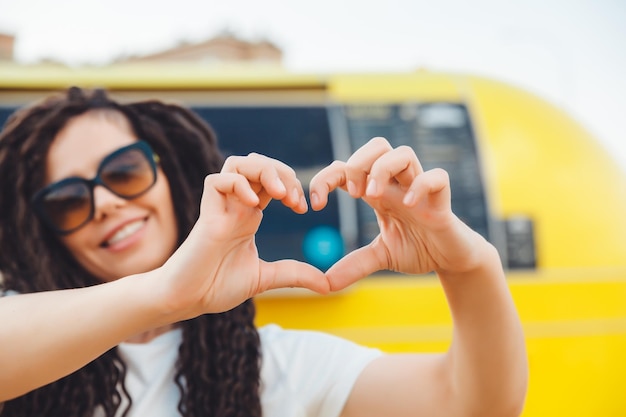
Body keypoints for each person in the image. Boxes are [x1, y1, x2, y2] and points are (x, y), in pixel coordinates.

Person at [0, 87, 528, 417]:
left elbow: (476, 405)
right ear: (48, 233)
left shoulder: (273, 368)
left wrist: (468, 265)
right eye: (69, 200)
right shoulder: (29, 342)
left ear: (173, 176)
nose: (107, 202)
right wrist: (168, 292)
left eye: (124, 171)